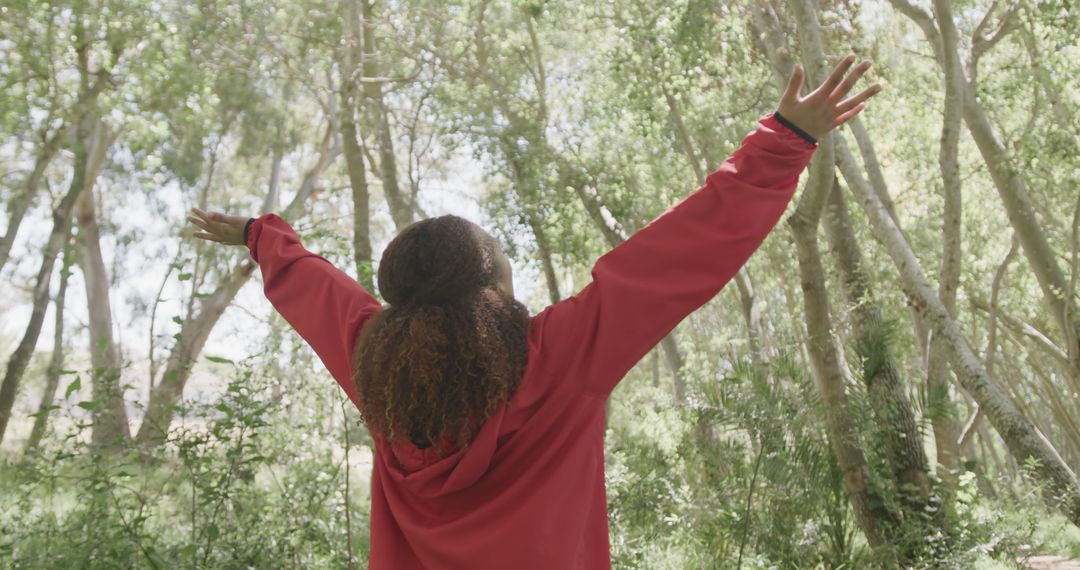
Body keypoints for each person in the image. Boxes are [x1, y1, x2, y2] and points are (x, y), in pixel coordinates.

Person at [187, 54, 880, 569]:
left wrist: (259, 236)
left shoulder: (376, 368)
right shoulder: (557, 358)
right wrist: (785, 140)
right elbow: (679, 253)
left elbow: (315, 288)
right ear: (489, 286)